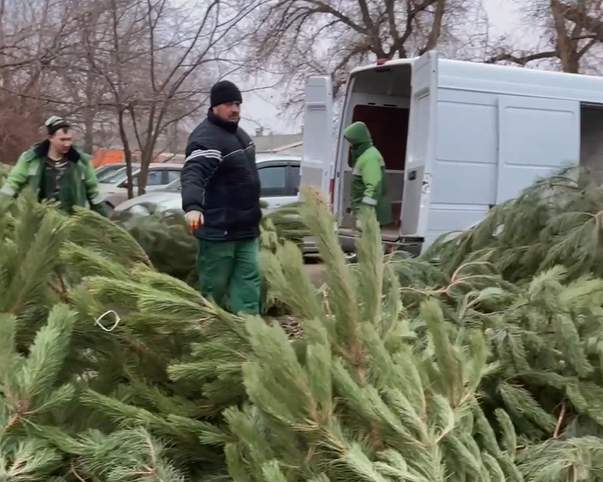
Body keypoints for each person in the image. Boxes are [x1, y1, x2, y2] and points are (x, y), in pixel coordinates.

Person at [181, 80, 262, 315]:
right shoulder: (206, 139)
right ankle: (208, 333)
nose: (235, 109)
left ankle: (250, 335)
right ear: (215, 106)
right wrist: (193, 206)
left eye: (238, 103)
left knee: (249, 288)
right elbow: (193, 174)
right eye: (229, 104)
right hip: (219, 233)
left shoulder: (242, 136)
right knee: (213, 291)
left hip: (247, 231)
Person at [0, 116, 107, 215]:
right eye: (62, 140)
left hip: (72, 223)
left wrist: (105, 221)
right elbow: (12, 185)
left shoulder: (81, 162)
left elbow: (94, 192)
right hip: (38, 223)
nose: (67, 144)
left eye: (69, 139)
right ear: (50, 138)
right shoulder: (31, 159)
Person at [343, 121, 392, 227]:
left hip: (373, 216)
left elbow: (374, 187)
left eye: (351, 141)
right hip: (368, 214)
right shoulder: (364, 155)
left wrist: (365, 213)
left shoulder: (370, 157)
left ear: (358, 141)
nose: (350, 145)